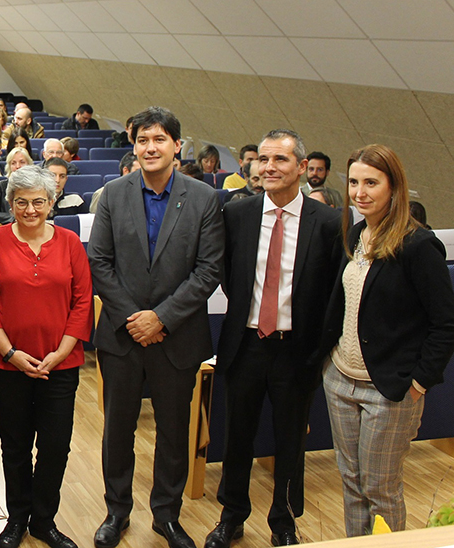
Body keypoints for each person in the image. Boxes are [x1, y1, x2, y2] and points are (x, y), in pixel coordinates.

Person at [87, 106, 223, 548]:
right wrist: (137, 319)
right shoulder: (111, 194)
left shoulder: (203, 197)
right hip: (122, 337)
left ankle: (166, 515)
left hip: (177, 337)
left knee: (172, 431)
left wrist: (161, 318)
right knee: (118, 429)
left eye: (159, 139)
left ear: (176, 146)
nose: (150, 147)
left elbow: (208, 270)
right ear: (134, 146)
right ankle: (116, 512)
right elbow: (100, 264)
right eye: (143, 140)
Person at [204, 129, 342, 548]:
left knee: (289, 440)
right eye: (262, 159)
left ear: (301, 168)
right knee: (237, 435)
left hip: (295, 350)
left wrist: (316, 350)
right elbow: (229, 276)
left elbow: (332, 291)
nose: (268, 168)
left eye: (280, 160)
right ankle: (232, 516)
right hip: (245, 343)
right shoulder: (237, 214)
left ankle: (283, 520)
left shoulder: (330, 223)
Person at [318, 144, 454, 537]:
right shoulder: (356, 234)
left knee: (380, 487)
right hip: (341, 380)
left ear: (394, 188)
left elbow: (446, 323)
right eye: (355, 182)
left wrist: (419, 382)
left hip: (389, 390)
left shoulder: (418, 245)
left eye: (371, 183)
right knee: (352, 482)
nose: (360, 192)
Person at [0, 165, 92, 548]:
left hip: (61, 364)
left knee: (56, 445)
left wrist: (62, 351)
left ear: (51, 202)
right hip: (6, 363)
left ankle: (44, 521)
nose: (29, 210)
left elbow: (82, 301)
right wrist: (9, 352)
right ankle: (17, 519)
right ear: (10, 203)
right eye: (20, 202)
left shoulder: (70, 243)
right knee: (17, 445)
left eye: (38, 202)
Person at [0, 146, 34, 225]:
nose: (18, 166)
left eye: (22, 162)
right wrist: (14, 218)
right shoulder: (1, 186)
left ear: (29, 165)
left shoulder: (37, 187)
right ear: (9, 166)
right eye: (13, 163)